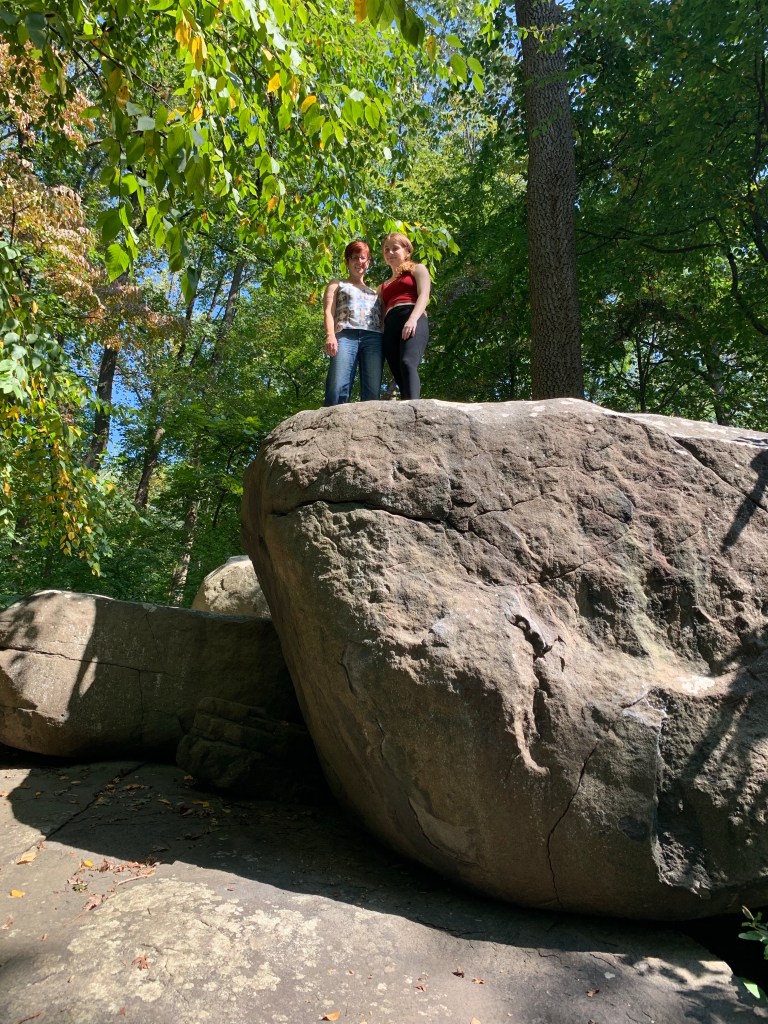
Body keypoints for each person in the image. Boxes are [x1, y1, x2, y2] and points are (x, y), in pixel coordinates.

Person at [323, 240, 383, 406]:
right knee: (338, 384)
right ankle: (331, 425)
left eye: (363, 258)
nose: (359, 262)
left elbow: (383, 320)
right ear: (347, 261)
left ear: (368, 262)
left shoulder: (376, 292)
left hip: (374, 338)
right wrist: (330, 335)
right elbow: (328, 311)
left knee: (372, 389)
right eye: (355, 258)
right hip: (345, 335)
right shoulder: (337, 284)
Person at [379, 232, 431, 400]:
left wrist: (412, 319)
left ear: (407, 251)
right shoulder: (383, 286)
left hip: (411, 316)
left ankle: (415, 408)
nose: (390, 252)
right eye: (386, 250)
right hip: (390, 324)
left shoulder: (417, 269)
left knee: (408, 363)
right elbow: (380, 313)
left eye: (395, 248)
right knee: (397, 371)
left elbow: (424, 295)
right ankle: (406, 410)